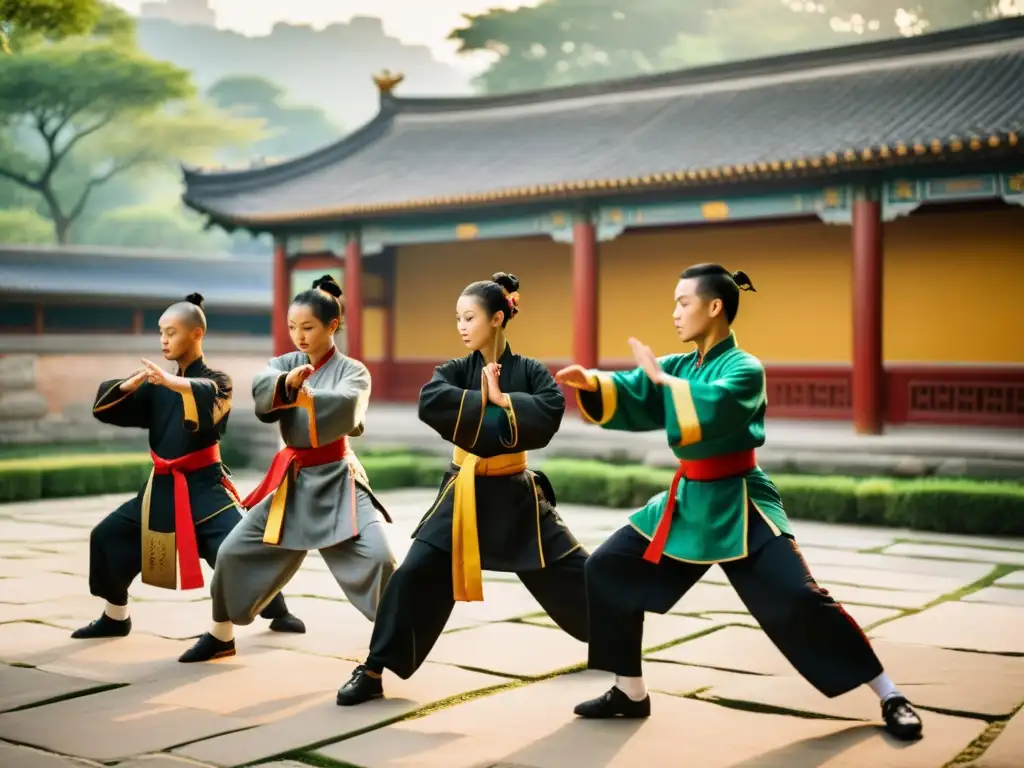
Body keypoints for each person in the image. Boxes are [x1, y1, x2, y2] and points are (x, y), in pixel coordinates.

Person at [555, 263, 923, 741]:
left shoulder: (745, 368)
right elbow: (636, 388)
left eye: (683, 303)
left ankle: (890, 693)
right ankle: (630, 690)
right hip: (688, 501)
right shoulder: (680, 364)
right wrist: (595, 383)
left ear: (714, 307)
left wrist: (666, 386)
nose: (675, 313)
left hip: (741, 500)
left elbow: (719, 406)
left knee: (799, 597)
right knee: (607, 566)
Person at [337, 272, 589, 706]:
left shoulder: (529, 372)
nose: (461, 326)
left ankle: (617, 641)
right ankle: (374, 669)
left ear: (496, 318)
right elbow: (431, 402)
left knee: (578, 574)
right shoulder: (452, 371)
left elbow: (548, 413)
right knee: (413, 576)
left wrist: (505, 399)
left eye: (469, 317)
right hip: (463, 495)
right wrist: (488, 403)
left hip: (517, 497)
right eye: (457, 318)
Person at [179, 275, 397, 663]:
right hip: (293, 483)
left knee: (379, 557)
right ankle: (221, 635)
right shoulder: (284, 363)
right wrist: (285, 384)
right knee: (232, 551)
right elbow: (264, 386)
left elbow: (349, 407)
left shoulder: (354, 370)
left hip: (338, 480)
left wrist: (306, 394)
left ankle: (393, 640)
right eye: (293, 327)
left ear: (332, 326)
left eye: (308, 327)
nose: (299, 335)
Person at [73, 293, 304, 640]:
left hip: (205, 490)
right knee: (107, 537)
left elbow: (207, 399)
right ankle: (115, 616)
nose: (164, 340)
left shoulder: (217, 381)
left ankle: (277, 609)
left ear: (196, 334)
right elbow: (108, 408)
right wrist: (128, 385)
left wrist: (173, 384)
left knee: (236, 550)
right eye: (161, 333)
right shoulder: (157, 386)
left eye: (172, 332)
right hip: (161, 489)